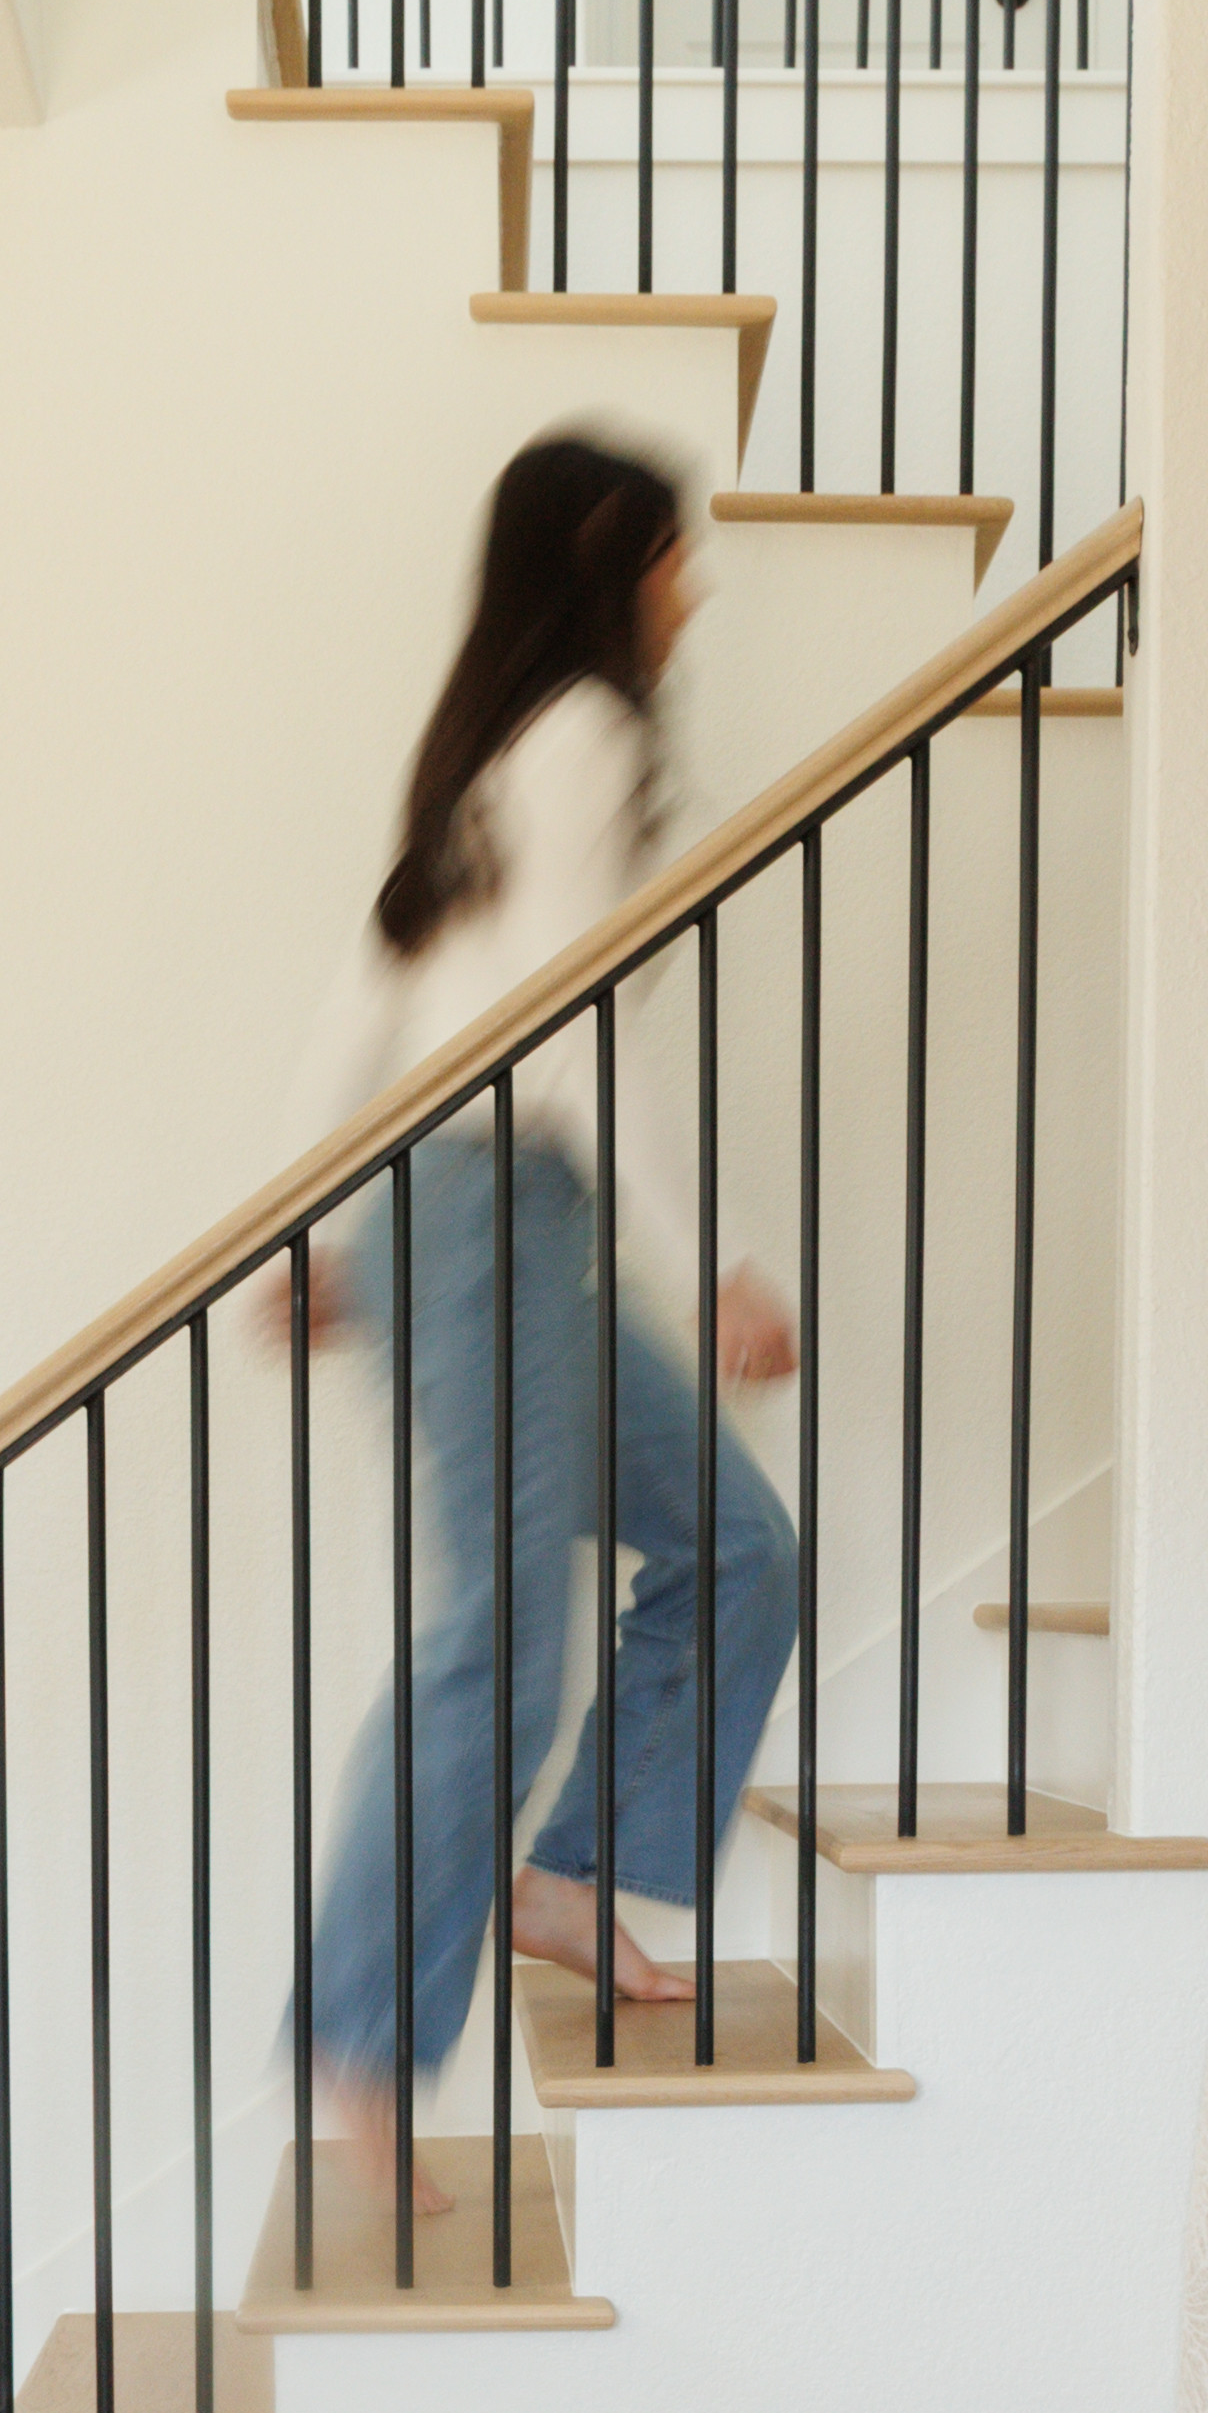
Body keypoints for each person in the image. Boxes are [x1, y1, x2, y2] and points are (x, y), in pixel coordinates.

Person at [272, 435, 802, 2212]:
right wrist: (715, 1259)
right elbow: (569, 1032)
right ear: (606, 558)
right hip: (489, 1210)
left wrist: (319, 1223)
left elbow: (381, 982)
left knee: (736, 1544)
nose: (693, 587)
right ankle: (360, 2043)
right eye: (675, 554)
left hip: (502, 1216)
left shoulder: (501, 753)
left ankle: (572, 1879)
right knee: (494, 1645)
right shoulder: (578, 734)